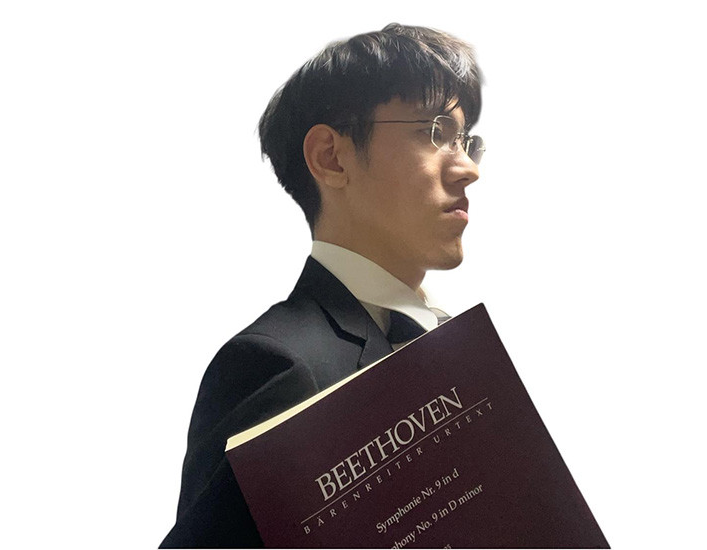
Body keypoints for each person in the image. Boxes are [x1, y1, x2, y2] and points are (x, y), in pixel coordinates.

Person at [161, 23, 485, 548]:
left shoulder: (462, 352)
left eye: (466, 141)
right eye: (435, 133)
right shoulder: (276, 364)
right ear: (331, 157)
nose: (468, 168)